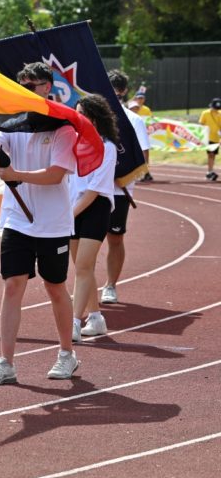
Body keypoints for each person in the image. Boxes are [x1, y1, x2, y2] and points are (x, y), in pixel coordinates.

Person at [0, 62, 79, 385]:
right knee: (12, 285)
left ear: (47, 88)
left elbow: (55, 175)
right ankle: (6, 362)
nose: (24, 88)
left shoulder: (63, 128)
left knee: (55, 287)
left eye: (31, 84)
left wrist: (15, 175)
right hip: (17, 219)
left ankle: (67, 353)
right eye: (20, 83)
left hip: (52, 224)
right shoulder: (10, 124)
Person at [68, 94, 119, 341]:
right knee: (81, 268)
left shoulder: (107, 147)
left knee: (84, 266)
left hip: (94, 207)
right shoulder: (73, 142)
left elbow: (92, 192)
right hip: (72, 209)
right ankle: (96, 318)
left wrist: (68, 215)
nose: (78, 118)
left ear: (95, 119)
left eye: (83, 114)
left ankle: (75, 323)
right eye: (76, 113)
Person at [101, 69, 151, 304]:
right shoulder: (91, 117)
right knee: (82, 240)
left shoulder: (134, 121)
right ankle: (85, 284)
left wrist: (120, 176)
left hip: (119, 190)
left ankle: (110, 285)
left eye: (115, 90)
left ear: (122, 92)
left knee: (115, 238)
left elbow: (143, 159)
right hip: (89, 190)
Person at [198, 98, 221, 181]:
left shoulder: (220, 114)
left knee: (213, 155)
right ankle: (210, 171)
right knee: (210, 154)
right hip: (208, 138)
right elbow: (201, 124)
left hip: (216, 138)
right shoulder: (205, 113)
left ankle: (210, 171)